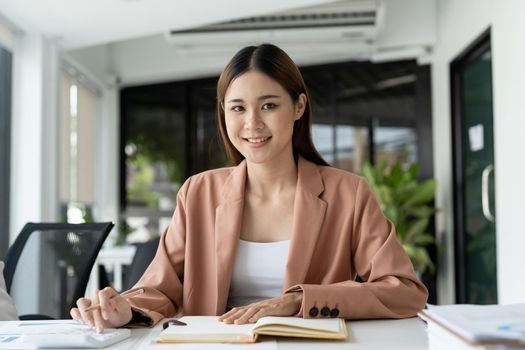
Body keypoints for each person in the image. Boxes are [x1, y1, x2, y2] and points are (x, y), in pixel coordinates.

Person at [71, 43, 428, 333]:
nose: (252, 124)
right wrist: (126, 309)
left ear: (299, 106)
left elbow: (405, 292)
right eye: (237, 108)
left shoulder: (348, 193)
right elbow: (162, 288)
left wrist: (297, 301)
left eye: (269, 106)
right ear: (224, 113)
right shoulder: (198, 192)